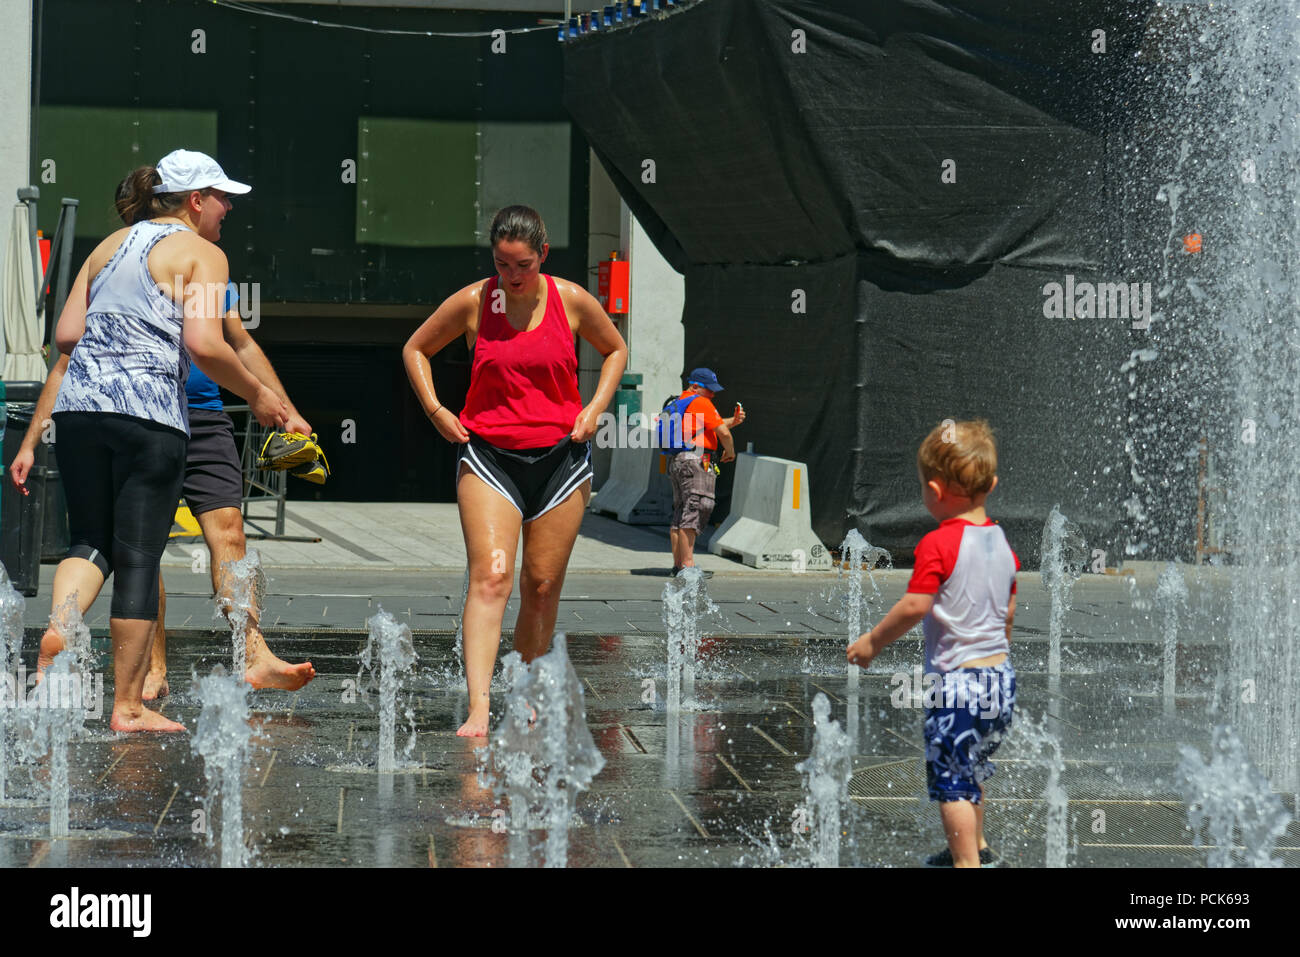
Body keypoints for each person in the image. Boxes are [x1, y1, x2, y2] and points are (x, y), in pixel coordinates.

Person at [11, 161, 316, 700]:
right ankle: (143, 680)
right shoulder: (202, 256)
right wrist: (259, 396)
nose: (231, 210)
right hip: (155, 413)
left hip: (114, 411)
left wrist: (282, 404)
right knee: (140, 549)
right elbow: (206, 344)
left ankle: (249, 651)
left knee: (125, 541)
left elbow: (66, 337)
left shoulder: (109, 247)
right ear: (196, 199)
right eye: (224, 199)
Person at [403, 205, 627, 738]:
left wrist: (595, 409)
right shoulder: (478, 300)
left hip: (561, 458)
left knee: (543, 585)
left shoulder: (571, 299)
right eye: (502, 264)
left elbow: (615, 349)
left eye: (522, 264)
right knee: (493, 578)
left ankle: (524, 686)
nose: (512, 275)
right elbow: (416, 348)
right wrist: (438, 411)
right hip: (489, 456)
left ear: (542, 254)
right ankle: (479, 706)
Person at [846, 419, 1018, 867]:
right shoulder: (1002, 543)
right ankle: (977, 849)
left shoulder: (939, 543)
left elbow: (914, 607)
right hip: (1000, 681)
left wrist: (871, 642)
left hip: (958, 685)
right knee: (973, 766)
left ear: (936, 491)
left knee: (950, 782)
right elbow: (1009, 612)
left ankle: (966, 863)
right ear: (992, 484)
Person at [664, 368, 744, 577]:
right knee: (697, 507)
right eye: (710, 390)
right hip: (696, 461)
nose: (713, 395)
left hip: (678, 461)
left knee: (681, 512)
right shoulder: (700, 401)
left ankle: (679, 565)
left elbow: (712, 426)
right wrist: (730, 451)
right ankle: (688, 567)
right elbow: (723, 433)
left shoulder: (680, 402)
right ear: (695, 386)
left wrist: (732, 421)